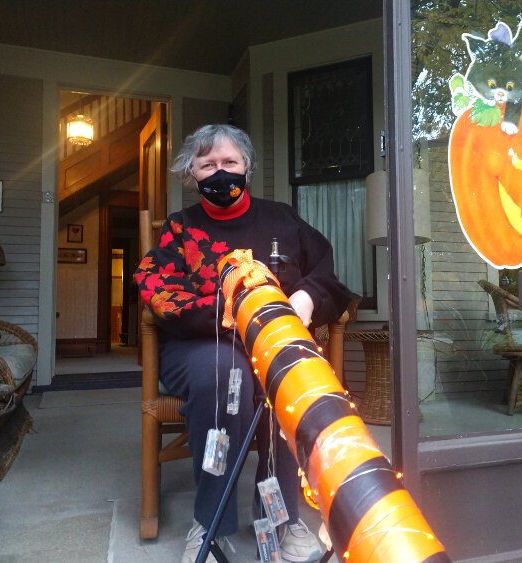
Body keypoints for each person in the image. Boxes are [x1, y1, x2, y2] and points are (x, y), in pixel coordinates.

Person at [134, 124, 351, 563]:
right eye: (207, 165)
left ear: (247, 166)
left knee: (289, 377)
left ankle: (282, 519)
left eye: (229, 163)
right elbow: (159, 289)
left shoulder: (282, 219)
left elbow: (327, 271)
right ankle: (211, 522)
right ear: (191, 174)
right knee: (224, 372)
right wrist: (235, 314)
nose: (220, 173)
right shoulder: (180, 228)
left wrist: (305, 299)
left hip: (274, 343)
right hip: (202, 346)